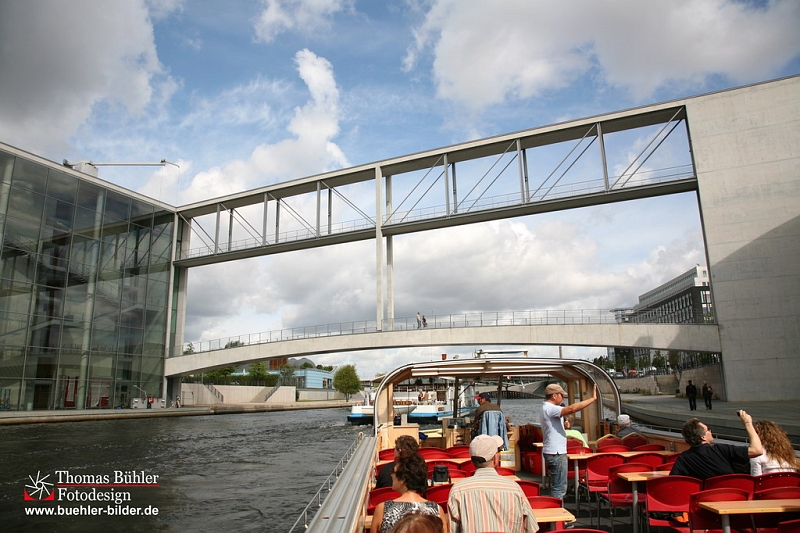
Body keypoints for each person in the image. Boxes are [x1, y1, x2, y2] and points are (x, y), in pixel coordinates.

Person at [447, 434, 537, 533]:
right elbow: (531, 527)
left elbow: (453, 530)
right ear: (495, 458)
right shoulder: (514, 488)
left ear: (472, 460)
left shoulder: (457, 490)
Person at [540, 383, 598, 501]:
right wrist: (592, 399)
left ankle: (556, 513)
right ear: (555, 396)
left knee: (558, 486)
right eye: (562, 395)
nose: (563, 398)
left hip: (552, 450)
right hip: (556, 452)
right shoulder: (550, 408)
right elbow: (571, 409)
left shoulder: (545, 408)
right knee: (559, 488)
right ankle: (557, 516)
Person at [669, 411, 763, 480]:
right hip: (732, 497)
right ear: (703, 437)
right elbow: (757, 450)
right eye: (708, 430)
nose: (710, 431)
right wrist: (748, 423)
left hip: (706, 500)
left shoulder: (684, 458)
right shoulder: (721, 449)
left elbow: (673, 481)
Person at [371, 453, 447, 533]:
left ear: (403, 479)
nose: (391, 474)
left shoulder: (383, 510)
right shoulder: (436, 510)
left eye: (393, 471)